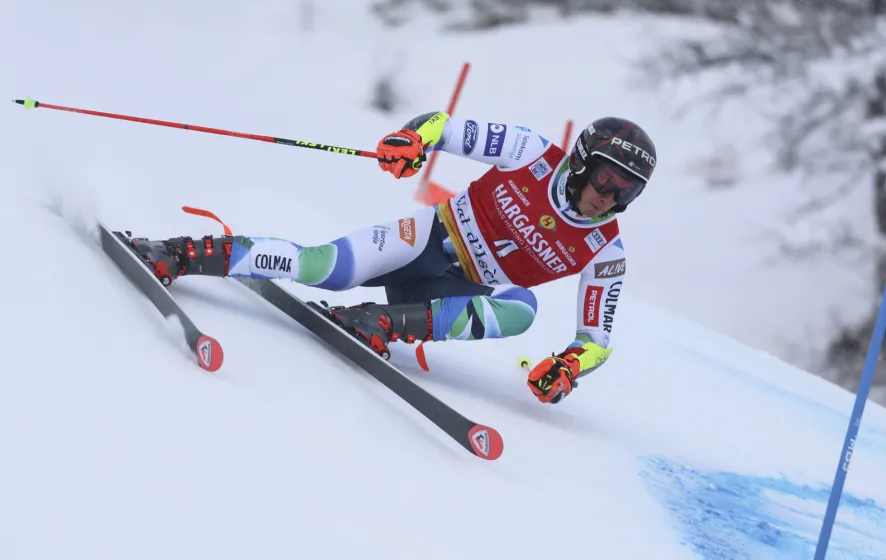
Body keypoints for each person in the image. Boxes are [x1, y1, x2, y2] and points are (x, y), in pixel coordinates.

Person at [122, 111, 655, 405]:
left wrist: (568, 368)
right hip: (426, 238)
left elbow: (596, 343)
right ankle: (176, 253)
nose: (610, 197)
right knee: (323, 267)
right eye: (607, 180)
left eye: (626, 191)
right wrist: (409, 139)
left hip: (448, 296)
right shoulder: (534, 153)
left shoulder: (605, 250)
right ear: (584, 162)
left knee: (522, 308)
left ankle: (375, 323)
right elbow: (443, 127)